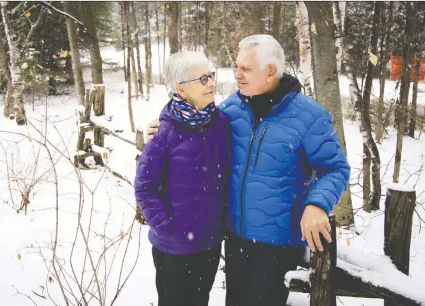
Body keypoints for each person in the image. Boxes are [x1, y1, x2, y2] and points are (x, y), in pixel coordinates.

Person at [146, 34, 351, 306]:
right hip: (235, 239)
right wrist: (160, 128)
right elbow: (193, 126)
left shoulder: (309, 117)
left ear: (271, 71)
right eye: (236, 67)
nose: (237, 75)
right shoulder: (231, 109)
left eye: (245, 69)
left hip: (277, 244)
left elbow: (335, 169)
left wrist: (317, 204)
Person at [134, 51, 231, 306]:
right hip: (174, 248)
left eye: (211, 76)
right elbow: (145, 187)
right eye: (202, 79)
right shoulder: (164, 133)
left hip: (210, 242)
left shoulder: (220, 123)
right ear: (181, 88)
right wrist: (166, 227)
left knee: (200, 301)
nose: (211, 83)